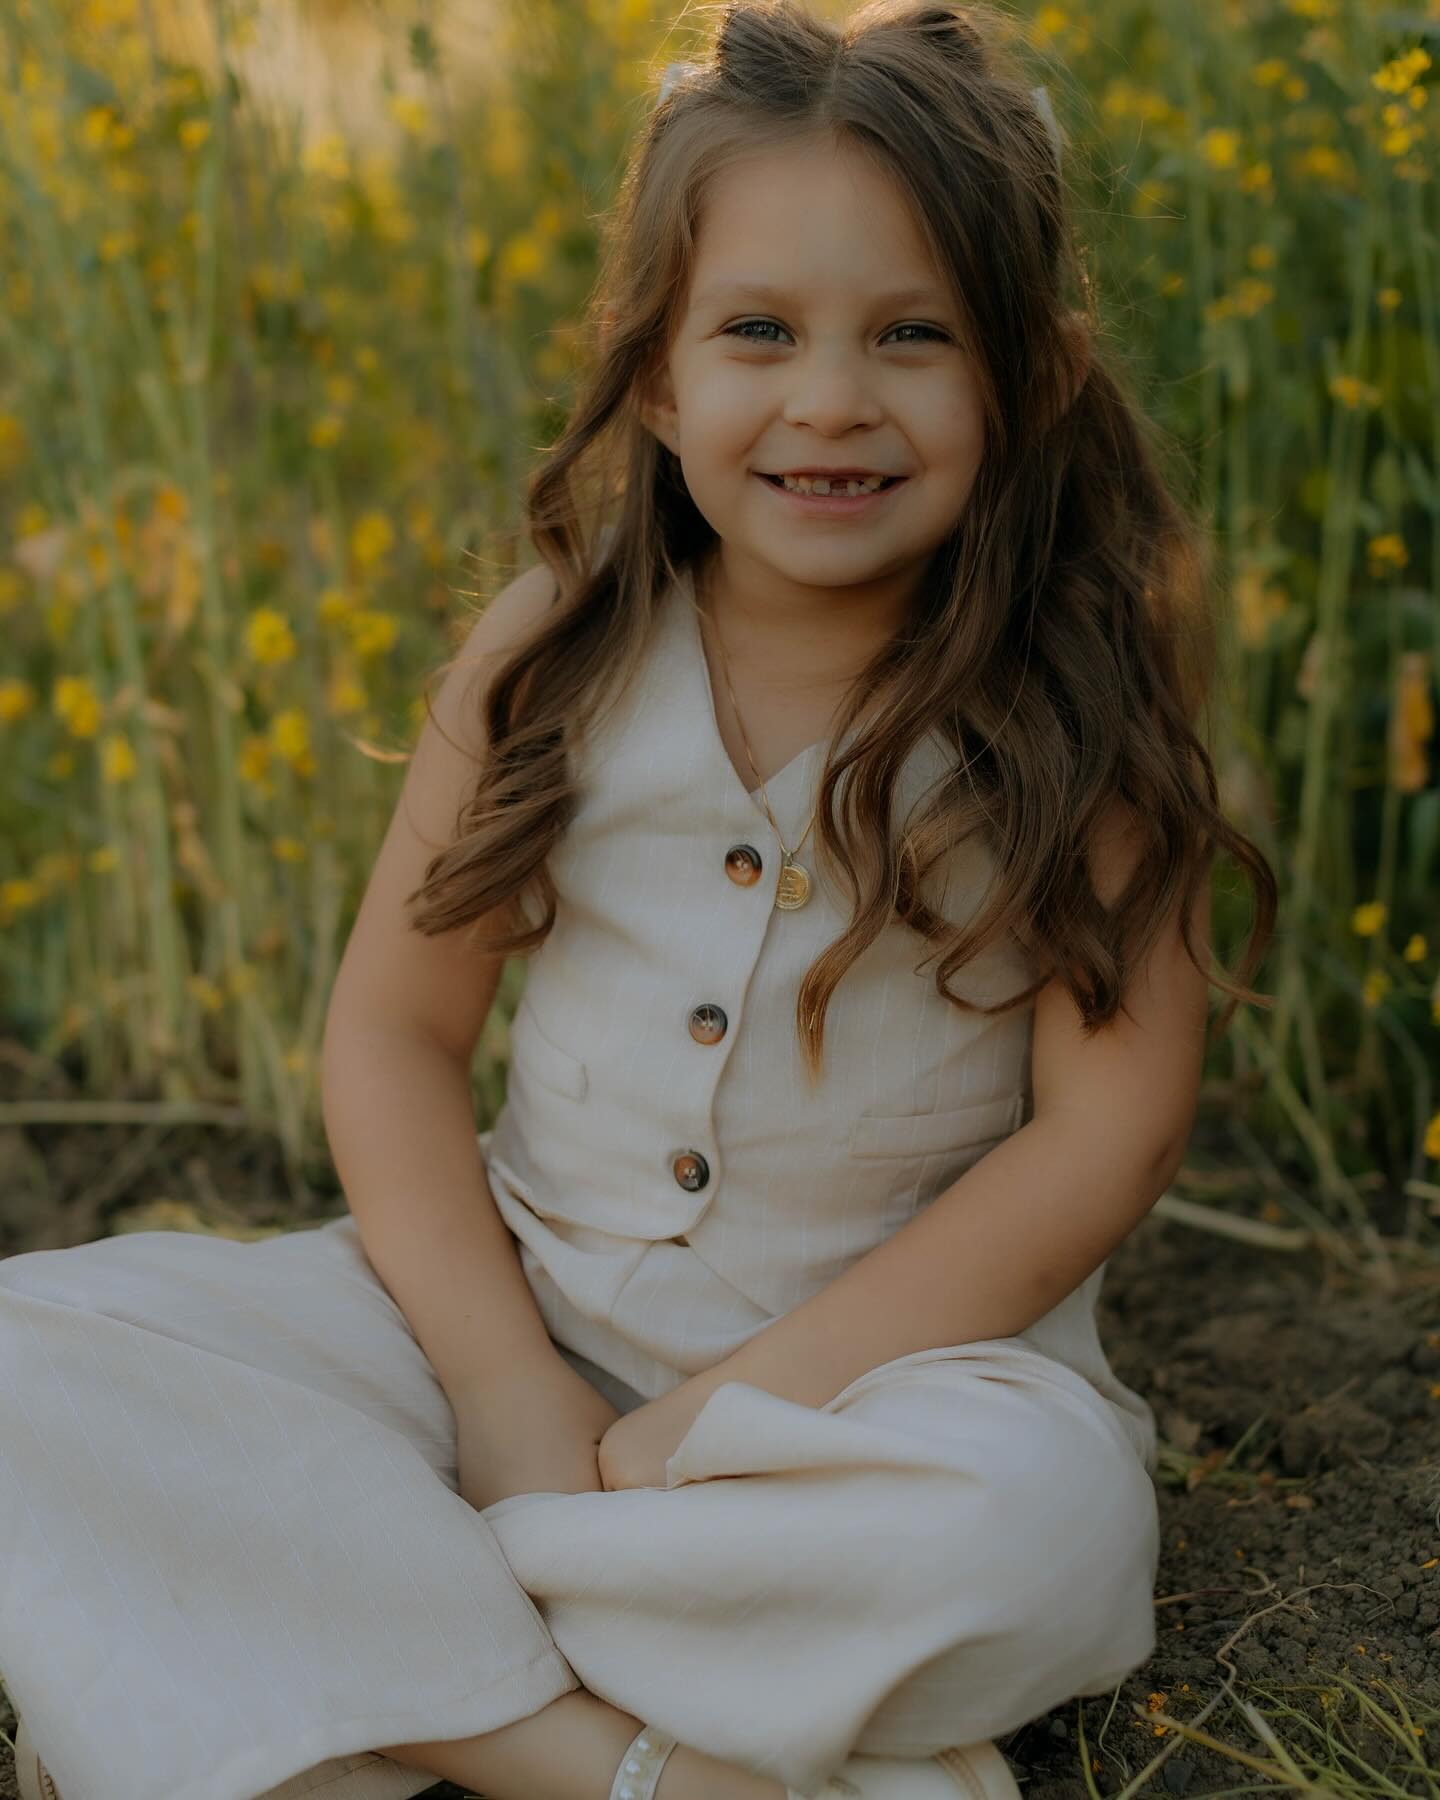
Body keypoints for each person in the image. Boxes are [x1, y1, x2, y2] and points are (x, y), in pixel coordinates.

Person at [0, 0, 1280, 1796]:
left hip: (883, 1402)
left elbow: (1108, 1140)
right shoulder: (560, 650)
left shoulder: (1075, 708)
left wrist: (700, 1432)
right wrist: (506, 1393)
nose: (830, 400)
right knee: (26, 1363)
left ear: (1037, 374)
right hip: (503, 1329)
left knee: (1035, 1539)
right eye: (758, 331)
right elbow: (393, 1034)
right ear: (659, 376)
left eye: (913, 334)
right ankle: (639, 1763)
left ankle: (371, 1650)